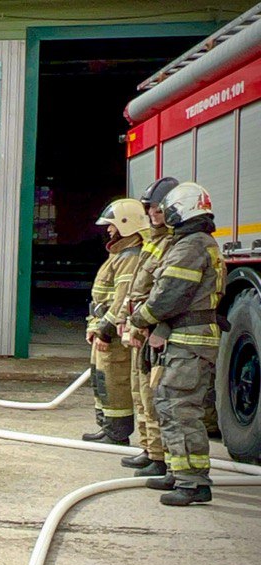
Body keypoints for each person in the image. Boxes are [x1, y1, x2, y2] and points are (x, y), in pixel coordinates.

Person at [129, 182, 223, 506]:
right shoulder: (193, 242)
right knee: (169, 404)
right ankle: (178, 470)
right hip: (185, 340)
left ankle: (193, 483)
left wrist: (140, 317)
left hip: (190, 342)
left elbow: (169, 293)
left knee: (180, 408)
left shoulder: (191, 246)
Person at [117, 177, 178, 478]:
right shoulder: (153, 241)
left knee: (152, 395)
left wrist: (146, 322)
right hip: (139, 327)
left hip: (154, 329)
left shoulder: (173, 242)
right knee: (139, 393)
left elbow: (163, 289)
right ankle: (150, 449)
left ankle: (160, 456)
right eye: (150, 209)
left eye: (158, 209)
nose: (153, 214)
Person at [82, 198, 146, 445]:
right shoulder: (119, 254)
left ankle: (117, 433)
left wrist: (106, 330)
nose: (108, 230)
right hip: (103, 328)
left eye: (112, 225)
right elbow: (103, 297)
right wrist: (94, 326)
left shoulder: (130, 256)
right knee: (101, 378)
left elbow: (121, 300)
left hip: (114, 334)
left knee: (114, 380)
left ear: (126, 225)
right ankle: (107, 427)